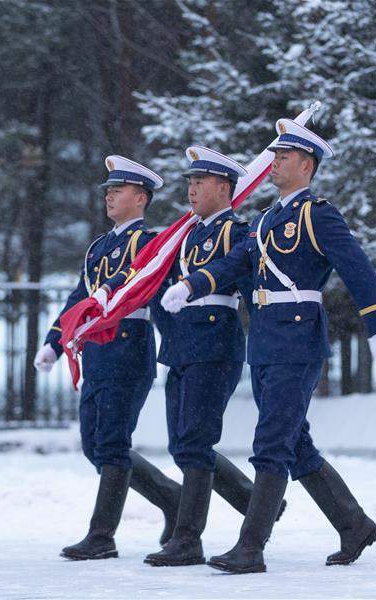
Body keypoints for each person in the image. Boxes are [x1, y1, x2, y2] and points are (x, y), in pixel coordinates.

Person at [161, 120, 376, 573]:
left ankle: (251, 547)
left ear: (306, 165)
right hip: (267, 342)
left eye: (283, 157)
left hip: (298, 337)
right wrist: (193, 283)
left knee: (271, 442)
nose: (273, 163)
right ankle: (354, 524)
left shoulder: (318, 214)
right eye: (273, 156)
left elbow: (358, 269)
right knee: (295, 443)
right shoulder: (267, 219)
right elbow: (235, 263)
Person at [33, 155, 261, 561]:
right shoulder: (101, 247)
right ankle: (193, 501)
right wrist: (55, 339)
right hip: (104, 350)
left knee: (156, 444)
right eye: (107, 191)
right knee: (104, 445)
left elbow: (159, 293)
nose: (109, 197)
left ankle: (115, 534)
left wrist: (173, 335)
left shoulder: (155, 242)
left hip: (134, 347)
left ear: (140, 198)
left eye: (117, 191)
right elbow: (82, 297)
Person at [143, 146, 285, 567]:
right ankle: (256, 501)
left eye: (200, 182)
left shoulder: (236, 235)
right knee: (182, 444)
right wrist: (171, 334)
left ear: (224, 188)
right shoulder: (183, 236)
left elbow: (249, 293)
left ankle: (188, 539)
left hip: (214, 345)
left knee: (196, 441)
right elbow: (158, 291)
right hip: (183, 347)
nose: (191, 189)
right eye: (189, 182)